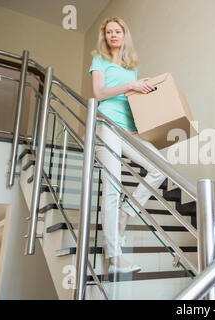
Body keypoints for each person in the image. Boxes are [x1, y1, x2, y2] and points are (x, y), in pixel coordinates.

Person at [89, 17, 167, 274]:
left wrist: (140, 89)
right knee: (111, 187)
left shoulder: (131, 67)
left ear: (124, 35)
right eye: (109, 31)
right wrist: (130, 85)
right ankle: (114, 256)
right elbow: (99, 93)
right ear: (105, 36)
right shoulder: (99, 60)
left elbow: (130, 100)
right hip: (108, 126)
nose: (113, 35)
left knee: (160, 167)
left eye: (117, 31)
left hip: (130, 130)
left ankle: (126, 211)